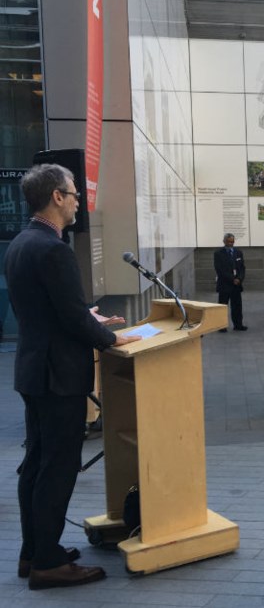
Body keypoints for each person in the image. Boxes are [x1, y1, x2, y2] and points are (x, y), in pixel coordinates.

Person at [6, 164, 140, 590]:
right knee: (58, 468)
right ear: (56, 197)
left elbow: (50, 309)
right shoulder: (53, 249)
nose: (80, 200)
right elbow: (70, 318)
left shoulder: (22, 243)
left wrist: (87, 316)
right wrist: (110, 338)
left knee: (36, 466)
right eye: (73, 193)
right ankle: (47, 563)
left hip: (34, 371)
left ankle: (34, 551)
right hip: (58, 376)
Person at [214, 233, 247, 331]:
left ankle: (238, 325)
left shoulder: (238, 252)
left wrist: (239, 279)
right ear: (224, 241)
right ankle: (221, 326)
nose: (230, 244)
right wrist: (233, 279)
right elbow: (219, 269)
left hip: (236, 285)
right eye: (228, 242)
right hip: (225, 284)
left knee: (237, 306)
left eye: (232, 242)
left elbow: (242, 268)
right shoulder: (218, 253)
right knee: (222, 306)